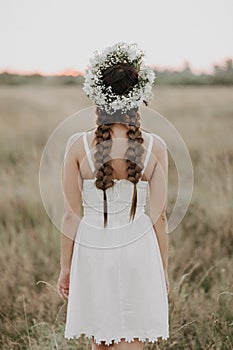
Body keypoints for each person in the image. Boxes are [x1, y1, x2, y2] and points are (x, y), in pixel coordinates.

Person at [57, 42, 169, 350]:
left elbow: (70, 215)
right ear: (138, 97)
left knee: (101, 341)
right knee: (132, 335)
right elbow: (160, 217)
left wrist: (66, 268)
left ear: (98, 96)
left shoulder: (78, 145)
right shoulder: (156, 146)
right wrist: (163, 270)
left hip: (94, 247)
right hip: (139, 247)